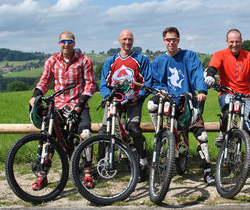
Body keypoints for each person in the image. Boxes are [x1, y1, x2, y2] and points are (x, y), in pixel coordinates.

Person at [29, 31, 96, 190]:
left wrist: (79, 105)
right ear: (59, 43)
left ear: (74, 43)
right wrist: (35, 97)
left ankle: (88, 172)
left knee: (85, 133)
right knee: (47, 135)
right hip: (58, 104)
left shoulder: (84, 60)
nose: (66, 44)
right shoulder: (52, 61)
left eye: (69, 41)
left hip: (78, 104)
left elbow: (90, 85)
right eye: (63, 41)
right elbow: (44, 82)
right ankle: (42, 175)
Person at [147, 27, 215, 185]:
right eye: (168, 40)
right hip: (169, 103)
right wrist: (160, 90)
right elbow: (155, 82)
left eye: (174, 39)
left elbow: (197, 73)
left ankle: (207, 171)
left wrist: (202, 90)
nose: (171, 42)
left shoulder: (189, 56)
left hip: (188, 102)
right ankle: (160, 133)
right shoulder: (158, 62)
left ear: (179, 40)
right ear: (164, 41)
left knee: (202, 136)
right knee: (151, 103)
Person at [204, 29, 250, 183]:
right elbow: (212, 68)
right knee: (228, 104)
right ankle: (223, 131)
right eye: (231, 41)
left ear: (241, 41)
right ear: (227, 42)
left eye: (237, 41)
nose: (234, 44)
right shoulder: (219, 54)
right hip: (227, 93)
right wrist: (209, 77)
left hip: (246, 94)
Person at [99, 29, 152, 182]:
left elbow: (147, 82)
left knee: (133, 129)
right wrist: (107, 97)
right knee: (104, 131)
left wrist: (139, 96)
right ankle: (101, 164)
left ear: (133, 41)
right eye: (124, 39)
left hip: (133, 100)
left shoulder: (141, 59)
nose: (127, 42)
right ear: (119, 40)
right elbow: (104, 84)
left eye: (130, 39)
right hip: (114, 101)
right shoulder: (110, 61)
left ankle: (142, 160)